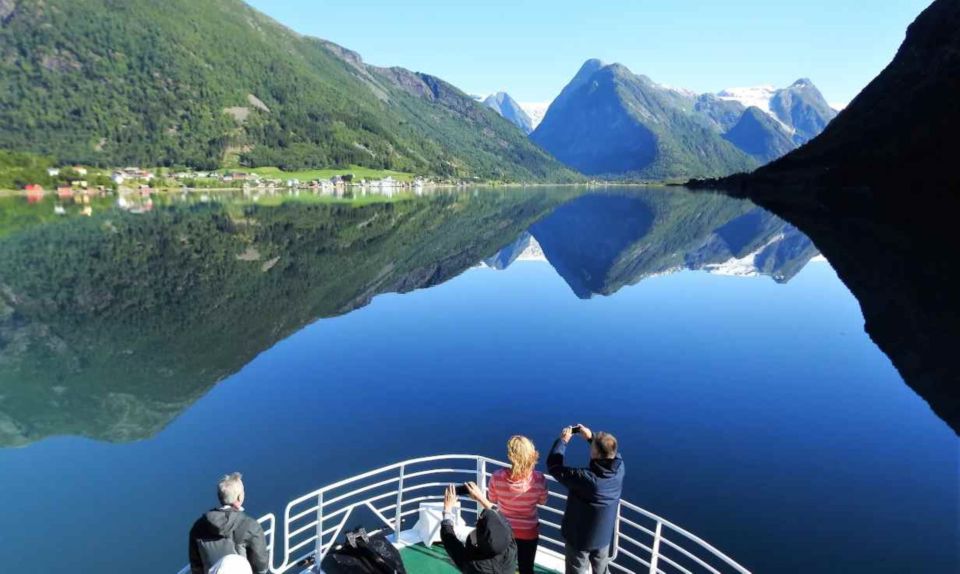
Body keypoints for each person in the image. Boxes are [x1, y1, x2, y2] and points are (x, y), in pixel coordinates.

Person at [547, 425, 624, 574]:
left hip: (580, 539)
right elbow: (611, 453)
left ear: (596, 453)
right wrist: (591, 438)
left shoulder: (586, 479)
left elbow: (554, 467)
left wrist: (563, 441)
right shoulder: (620, 469)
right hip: (603, 536)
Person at [486, 436, 549, 574]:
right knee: (526, 568)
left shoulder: (497, 477)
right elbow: (543, 501)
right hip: (529, 533)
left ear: (511, 456)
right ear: (531, 454)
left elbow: (492, 499)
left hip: (504, 531)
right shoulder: (539, 479)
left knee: (503, 567)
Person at [189, 472, 269, 574]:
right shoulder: (250, 526)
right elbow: (261, 567)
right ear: (240, 497)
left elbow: (196, 566)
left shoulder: (198, 527)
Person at [440, 482, 518, 574]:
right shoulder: (511, 548)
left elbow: (450, 541)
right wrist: (481, 498)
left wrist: (447, 509)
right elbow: (504, 523)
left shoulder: (473, 564)